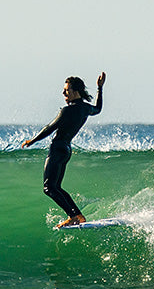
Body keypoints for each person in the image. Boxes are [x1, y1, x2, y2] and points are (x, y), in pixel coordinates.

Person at [21, 72, 106, 228]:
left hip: (57, 148)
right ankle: (77, 215)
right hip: (66, 149)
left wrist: (32, 140)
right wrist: (100, 89)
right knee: (56, 187)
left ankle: (73, 216)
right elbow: (98, 109)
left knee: (48, 188)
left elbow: (50, 128)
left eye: (66, 90)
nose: (63, 93)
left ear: (75, 92)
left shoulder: (67, 111)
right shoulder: (85, 109)